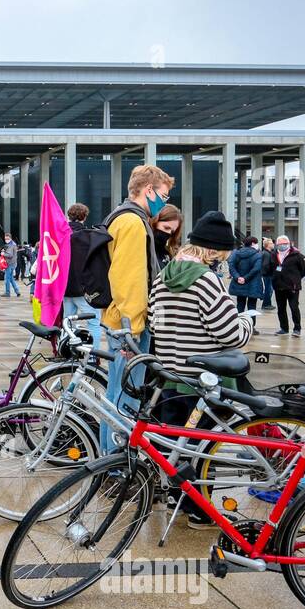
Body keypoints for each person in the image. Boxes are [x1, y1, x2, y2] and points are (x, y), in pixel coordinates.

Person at [147, 210, 255, 529]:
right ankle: (198, 509)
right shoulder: (206, 280)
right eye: (222, 253)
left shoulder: (163, 277)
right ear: (213, 249)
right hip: (201, 381)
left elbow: (155, 324)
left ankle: (177, 497)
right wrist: (247, 322)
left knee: (176, 444)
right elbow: (229, 334)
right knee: (202, 447)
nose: (222, 259)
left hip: (170, 375)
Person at [101, 164, 172, 452]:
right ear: (148, 190)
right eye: (163, 196)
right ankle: (118, 465)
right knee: (126, 399)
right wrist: (134, 328)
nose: (164, 203)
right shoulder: (132, 222)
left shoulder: (123, 217)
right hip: (129, 325)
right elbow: (129, 279)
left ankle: (108, 456)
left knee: (115, 393)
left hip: (119, 320)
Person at [63, 203, 102, 346]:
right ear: (84, 217)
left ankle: (67, 353)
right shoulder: (88, 236)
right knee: (94, 321)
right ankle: (93, 355)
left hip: (65, 287)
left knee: (67, 322)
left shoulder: (61, 235)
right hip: (83, 288)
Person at [268, 235, 305, 336]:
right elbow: (270, 268)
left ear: (288, 244)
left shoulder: (297, 255)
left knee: (294, 307)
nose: (282, 246)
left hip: (292, 286)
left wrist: (296, 278)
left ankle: (297, 328)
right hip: (278, 286)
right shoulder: (273, 255)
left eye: (284, 244)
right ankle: (284, 328)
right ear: (277, 245)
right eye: (280, 244)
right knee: (281, 309)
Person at [227, 236, 265, 314]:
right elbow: (256, 269)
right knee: (252, 307)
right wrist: (246, 278)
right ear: (253, 243)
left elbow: (231, 265)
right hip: (253, 284)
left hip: (239, 284)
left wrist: (238, 277)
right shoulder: (258, 255)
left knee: (240, 305)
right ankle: (251, 324)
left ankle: (239, 324)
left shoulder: (236, 253)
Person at [258, 237, 276, 310]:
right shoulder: (267, 254)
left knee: (269, 290)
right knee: (268, 290)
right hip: (267, 275)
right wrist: (269, 273)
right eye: (271, 243)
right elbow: (265, 265)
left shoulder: (268, 253)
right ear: (268, 245)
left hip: (267, 274)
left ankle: (267, 304)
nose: (273, 244)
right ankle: (266, 304)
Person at [1, 232, 20, 297]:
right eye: (5, 238)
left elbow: (10, 255)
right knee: (11, 278)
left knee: (7, 278)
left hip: (9, 264)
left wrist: (3, 254)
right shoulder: (13, 244)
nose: (6, 239)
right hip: (13, 263)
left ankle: (7, 292)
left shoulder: (10, 245)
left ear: (10, 238)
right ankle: (17, 291)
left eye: (7, 238)